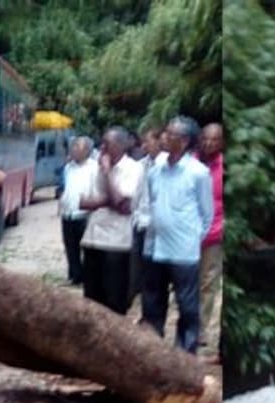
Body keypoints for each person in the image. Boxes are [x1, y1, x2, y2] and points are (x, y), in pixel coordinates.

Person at [143, 116, 214, 353]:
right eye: (166, 132)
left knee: (187, 305)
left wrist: (192, 239)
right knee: (152, 301)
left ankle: (184, 352)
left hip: (183, 251)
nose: (165, 137)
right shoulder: (156, 169)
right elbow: (152, 203)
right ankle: (152, 348)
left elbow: (207, 214)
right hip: (155, 247)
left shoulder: (198, 173)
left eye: (171, 134)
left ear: (184, 141)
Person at [78, 127, 144, 314]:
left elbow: (123, 206)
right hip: (92, 239)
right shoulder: (94, 167)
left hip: (116, 243)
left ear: (121, 145)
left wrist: (107, 173)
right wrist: (109, 201)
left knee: (114, 300)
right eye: (102, 143)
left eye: (107, 144)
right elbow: (83, 202)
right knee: (91, 299)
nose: (103, 148)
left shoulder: (133, 168)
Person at [195, 122, 224, 354]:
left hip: (213, 235)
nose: (208, 143)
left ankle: (200, 328)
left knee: (207, 283)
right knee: (185, 283)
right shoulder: (190, 163)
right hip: (186, 234)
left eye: (214, 139)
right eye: (205, 138)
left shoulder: (222, 167)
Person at [58, 137, 99, 285]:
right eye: (73, 145)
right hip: (68, 213)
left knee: (87, 249)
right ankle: (75, 276)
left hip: (84, 214)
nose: (73, 148)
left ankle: (89, 278)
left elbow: (96, 190)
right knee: (71, 247)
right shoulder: (69, 167)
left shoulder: (94, 167)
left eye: (77, 146)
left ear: (87, 150)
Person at [130, 129, 163, 307]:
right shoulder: (142, 164)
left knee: (153, 273)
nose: (144, 146)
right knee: (136, 269)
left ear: (159, 142)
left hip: (156, 227)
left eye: (148, 142)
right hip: (139, 223)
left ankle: (151, 310)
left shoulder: (165, 165)